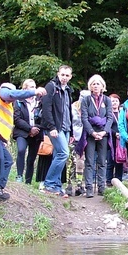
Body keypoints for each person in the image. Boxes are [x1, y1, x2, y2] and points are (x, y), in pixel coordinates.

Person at [0, 82, 47, 211]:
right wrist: (34, 92)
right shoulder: (0, 93)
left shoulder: (2, 103)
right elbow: (10, 94)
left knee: (7, 161)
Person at [40, 65, 74, 196]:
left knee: (58, 155)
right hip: (55, 127)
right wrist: (52, 127)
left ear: (70, 76)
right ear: (58, 74)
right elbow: (46, 108)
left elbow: (68, 110)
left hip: (65, 127)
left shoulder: (68, 90)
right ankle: (49, 183)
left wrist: (70, 130)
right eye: (62, 75)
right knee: (63, 154)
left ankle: (57, 186)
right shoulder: (51, 87)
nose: (64, 77)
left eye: (67, 75)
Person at [78, 74, 113, 198]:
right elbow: (84, 118)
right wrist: (92, 132)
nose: (96, 86)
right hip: (90, 134)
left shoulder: (107, 100)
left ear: (102, 86)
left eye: (98, 83)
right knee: (89, 162)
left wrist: (104, 132)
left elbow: (110, 117)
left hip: (103, 134)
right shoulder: (86, 100)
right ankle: (89, 188)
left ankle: (102, 187)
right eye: (93, 84)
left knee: (102, 161)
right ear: (90, 87)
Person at [12, 79, 43, 184]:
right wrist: (30, 129)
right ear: (25, 89)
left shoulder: (40, 101)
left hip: (37, 132)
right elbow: (16, 119)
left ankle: (28, 181)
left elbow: (44, 117)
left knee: (32, 157)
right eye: (31, 87)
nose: (33, 89)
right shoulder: (18, 101)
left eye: (34, 87)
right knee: (21, 150)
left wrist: (36, 128)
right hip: (22, 132)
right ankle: (19, 176)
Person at [105, 94, 124, 187]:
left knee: (120, 160)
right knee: (110, 161)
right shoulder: (107, 113)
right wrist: (114, 133)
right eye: (112, 101)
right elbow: (106, 126)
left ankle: (119, 180)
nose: (114, 103)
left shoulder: (122, 112)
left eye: (116, 101)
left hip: (121, 140)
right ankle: (108, 181)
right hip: (111, 140)